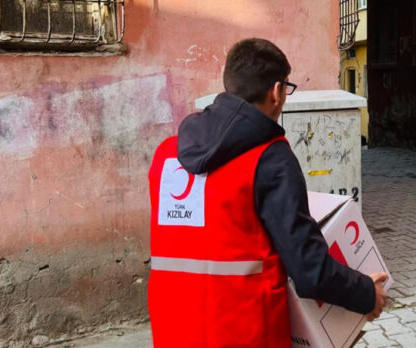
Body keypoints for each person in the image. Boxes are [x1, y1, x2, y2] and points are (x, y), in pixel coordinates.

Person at [147, 38, 387, 347]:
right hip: (247, 334)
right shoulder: (270, 158)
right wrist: (366, 295)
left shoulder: (166, 155)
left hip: (174, 332)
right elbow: (310, 270)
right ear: (276, 92)